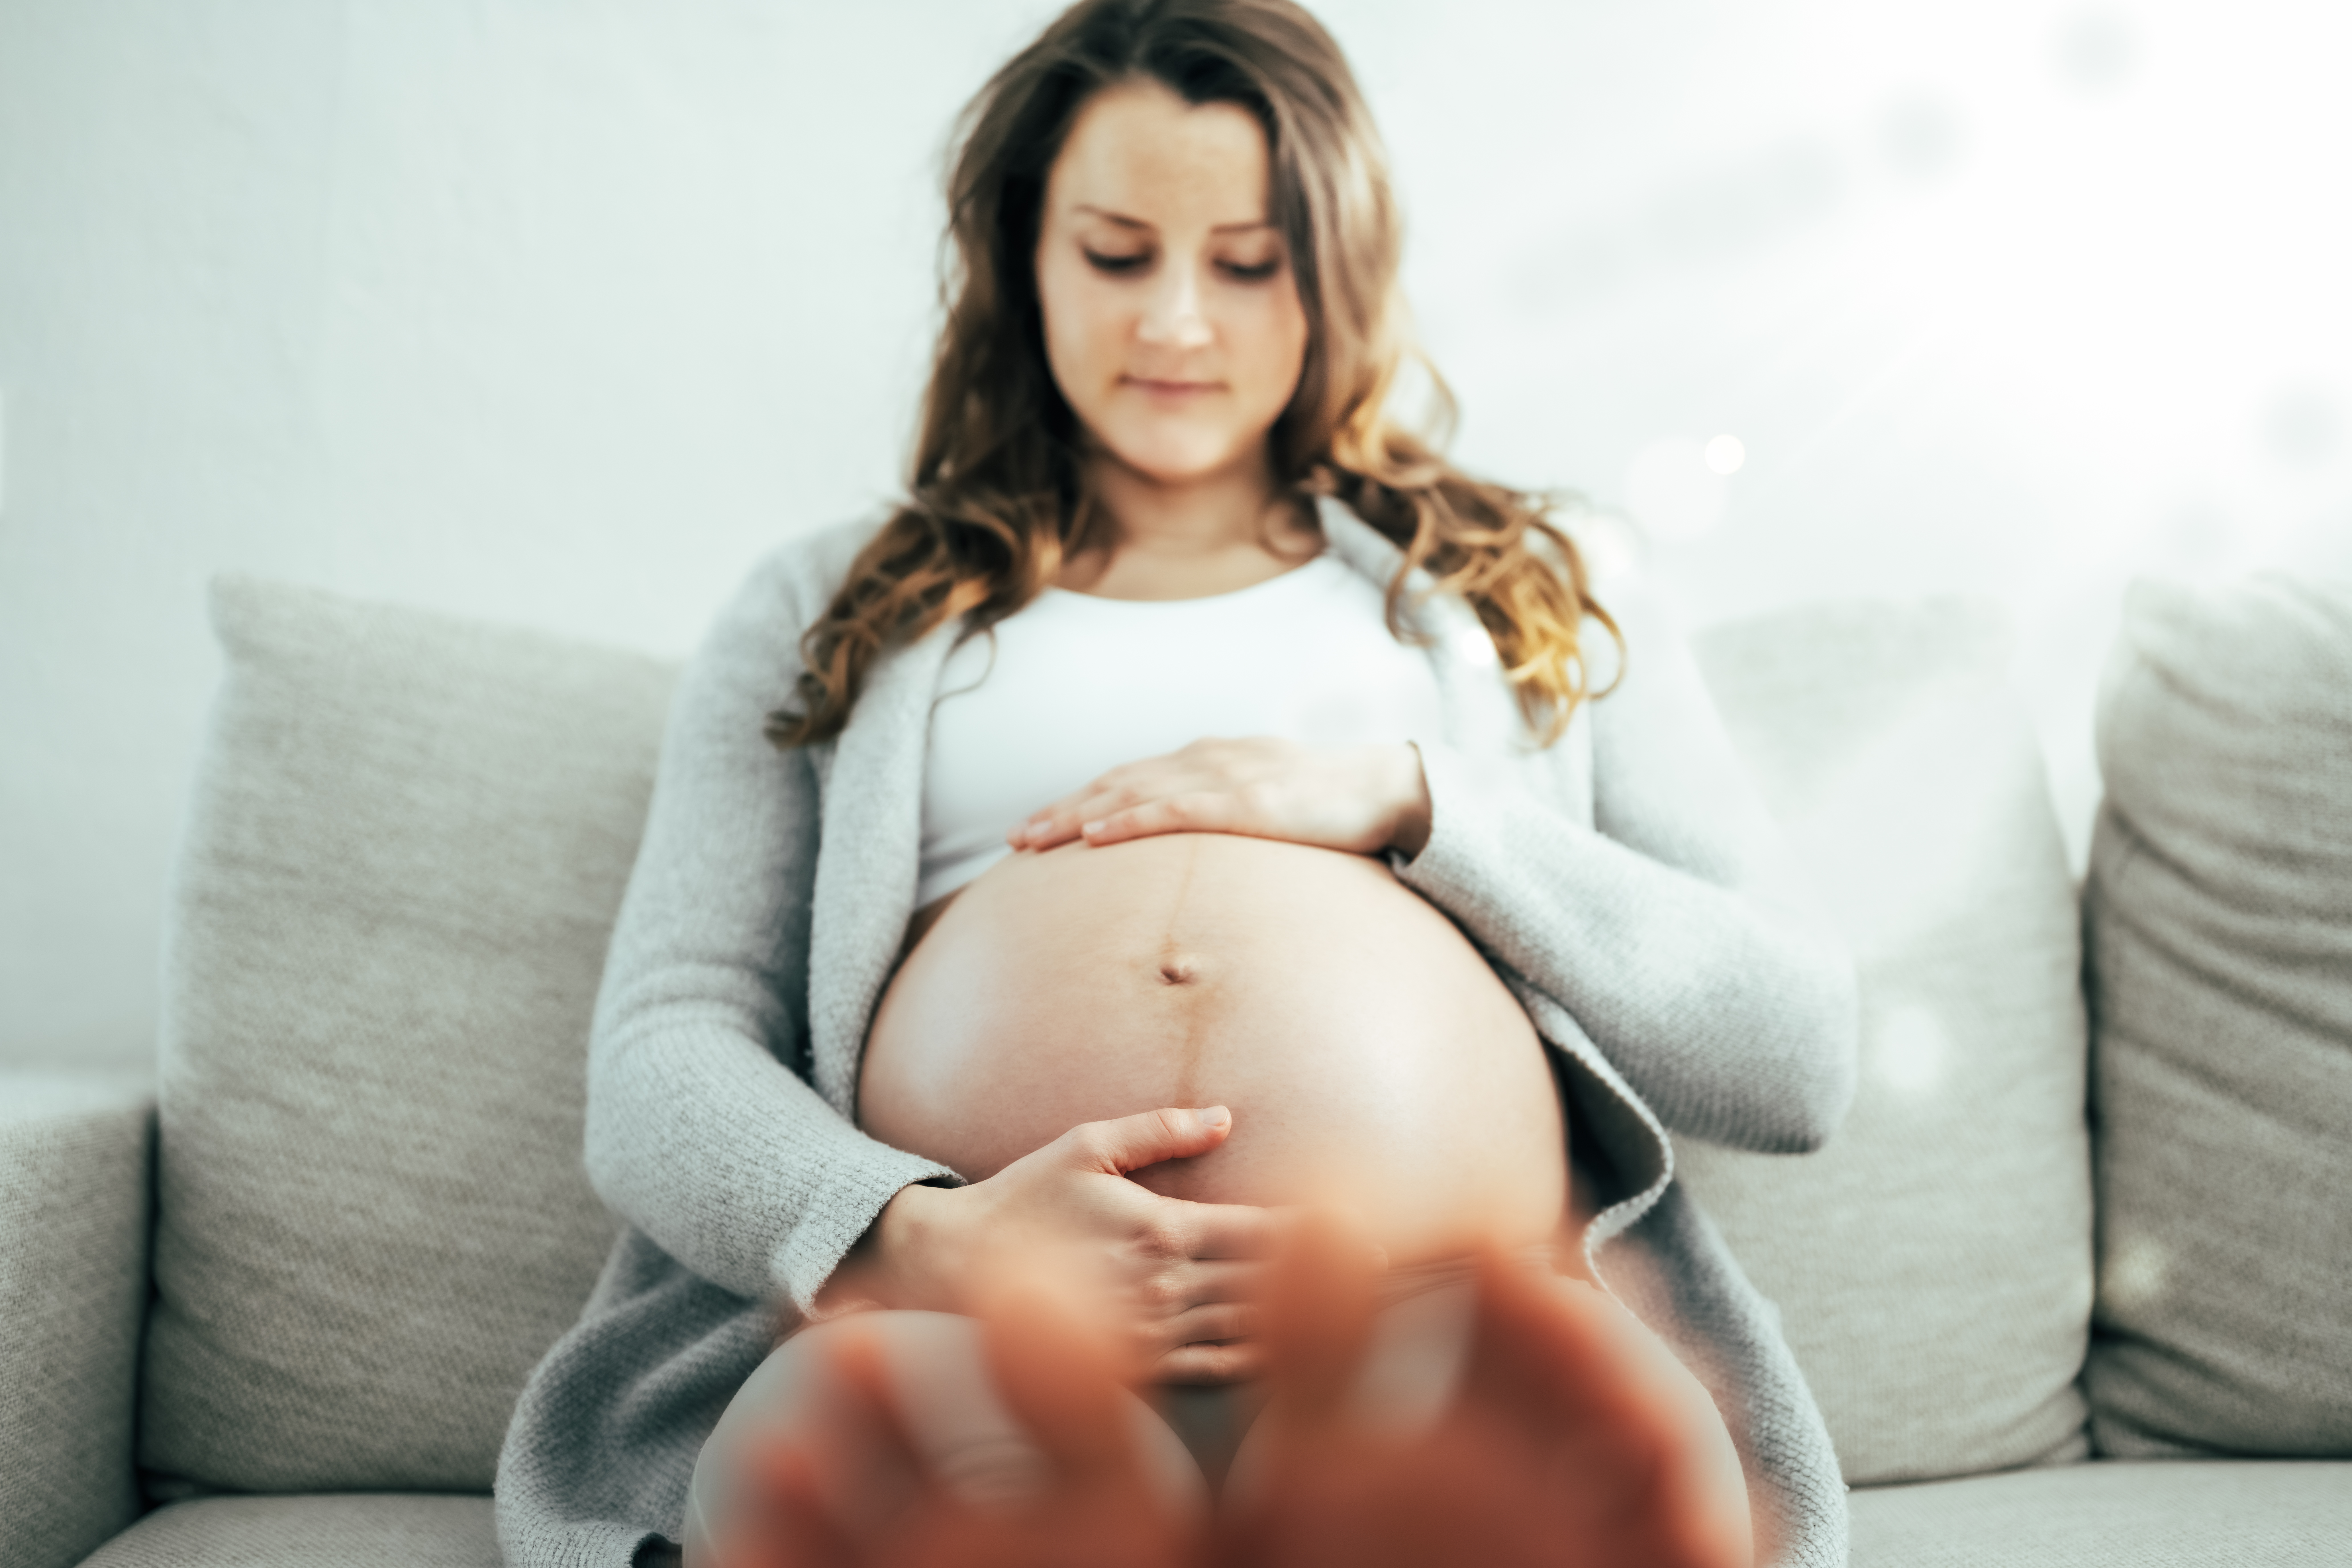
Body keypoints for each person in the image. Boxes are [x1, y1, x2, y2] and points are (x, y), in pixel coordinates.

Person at [493, 1, 1859, 1564]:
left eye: (1249, 261)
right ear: (1024, 256)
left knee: (1600, 1450)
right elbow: (665, 1049)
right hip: (976, 1344)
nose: (1180, 326)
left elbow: (1797, 1049)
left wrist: (1417, 807)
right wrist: (925, 1236)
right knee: (845, 1466)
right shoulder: (830, 603)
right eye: (1119, 253)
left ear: (1335, 267)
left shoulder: (1533, 581)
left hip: (1442, 1335)